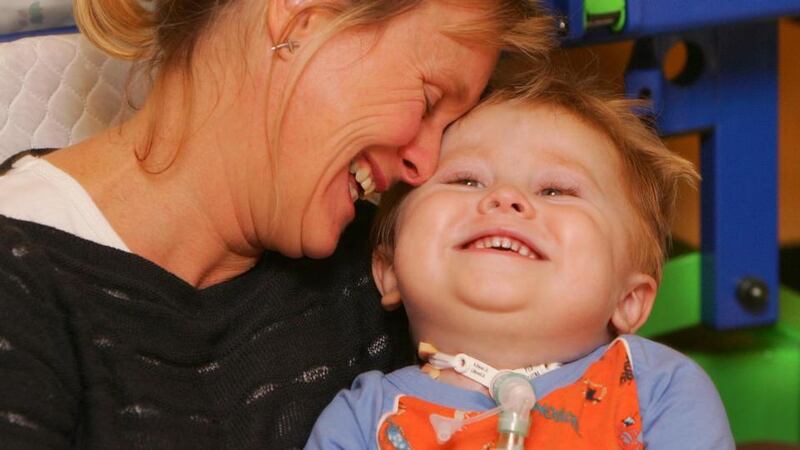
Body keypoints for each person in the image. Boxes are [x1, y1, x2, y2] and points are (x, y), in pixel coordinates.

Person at [0, 0, 555, 448]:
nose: (426, 164)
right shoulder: (22, 284)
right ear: (303, 19)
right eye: (430, 100)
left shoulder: (387, 268)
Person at [305, 68, 736, 449]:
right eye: (466, 180)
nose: (505, 197)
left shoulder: (660, 390)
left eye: (555, 191)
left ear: (629, 299)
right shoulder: (362, 421)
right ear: (389, 271)